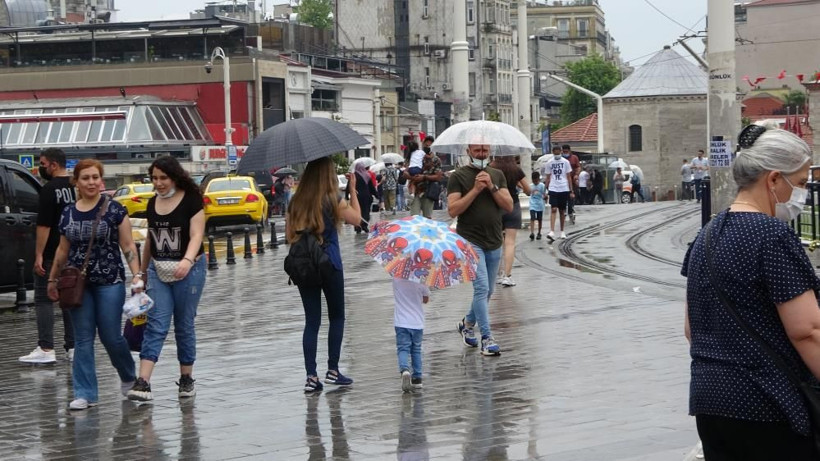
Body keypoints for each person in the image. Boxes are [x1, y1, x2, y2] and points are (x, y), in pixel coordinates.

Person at [683, 122, 820, 459]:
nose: (801, 193)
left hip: (710, 402)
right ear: (773, 179)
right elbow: (808, 331)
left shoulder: (708, 234)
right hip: (769, 404)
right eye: (800, 183)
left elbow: (691, 329)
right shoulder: (771, 235)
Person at [47, 159, 141, 411]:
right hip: (77, 283)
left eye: (95, 177)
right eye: (85, 178)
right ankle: (85, 392)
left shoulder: (114, 210)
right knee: (83, 338)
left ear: (101, 180)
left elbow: (128, 246)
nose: (91, 182)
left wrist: (137, 276)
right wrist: (52, 278)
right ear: (76, 181)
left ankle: (128, 375)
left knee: (111, 336)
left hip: (109, 280)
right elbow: (63, 249)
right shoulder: (68, 212)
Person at [127, 157, 207, 402]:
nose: (159, 183)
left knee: (184, 324)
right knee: (156, 324)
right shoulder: (152, 204)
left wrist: (188, 260)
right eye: (154, 178)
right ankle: (143, 383)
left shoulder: (191, 199)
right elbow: (150, 240)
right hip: (159, 271)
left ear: (174, 177)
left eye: (163, 178)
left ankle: (186, 378)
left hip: (189, 271)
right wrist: (141, 272)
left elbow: (196, 234)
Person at [286, 157, 362, 393]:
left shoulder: (295, 201)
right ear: (328, 175)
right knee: (337, 317)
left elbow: (290, 235)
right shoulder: (333, 200)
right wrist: (353, 191)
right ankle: (333, 370)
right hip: (329, 263)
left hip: (305, 265)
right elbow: (357, 220)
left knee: (312, 321)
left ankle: (311, 377)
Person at [447, 143, 513, 356]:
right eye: (477, 151)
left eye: (485, 151)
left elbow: (509, 205)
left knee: (489, 291)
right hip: (470, 240)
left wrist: (492, 186)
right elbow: (453, 210)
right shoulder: (458, 176)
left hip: (494, 239)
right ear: (469, 152)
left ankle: (467, 324)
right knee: (482, 288)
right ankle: (487, 337)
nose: (481, 154)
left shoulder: (497, 174)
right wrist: (475, 190)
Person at [19, 148, 77, 364]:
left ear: (53, 164)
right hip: (72, 251)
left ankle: (46, 347)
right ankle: (73, 347)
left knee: (43, 298)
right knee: (69, 299)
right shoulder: (74, 186)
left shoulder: (49, 189)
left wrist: (39, 255)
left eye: (42, 164)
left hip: (53, 250)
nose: (40, 168)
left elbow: (44, 225)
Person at [491, 156, 529, 287]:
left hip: (496, 206)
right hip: (513, 205)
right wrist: (517, 185)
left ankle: (498, 274)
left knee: (497, 242)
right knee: (510, 243)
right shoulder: (515, 169)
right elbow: (528, 189)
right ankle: (508, 275)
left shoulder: (491, 168)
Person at [393, 279, 430, 393]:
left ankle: (405, 370)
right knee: (416, 350)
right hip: (417, 323)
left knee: (403, 348)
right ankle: (417, 378)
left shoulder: (396, 279)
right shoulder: (422, 280)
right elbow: (426, 299)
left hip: (401, 322)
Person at [542, 147, 574, 242]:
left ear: (561, 152)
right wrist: (545, 190)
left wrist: (571, 190)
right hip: (553, 187)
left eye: (558, 152)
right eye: (555, 153)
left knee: (562, 210)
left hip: (564, 188)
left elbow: (568, 177)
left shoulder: (565, 162)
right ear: (553, 153)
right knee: (553, 209)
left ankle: (562, 230)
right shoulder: (549, 162)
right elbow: (548, 177)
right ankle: (551, 231)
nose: (557, 154)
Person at [406, 148, 443, 219]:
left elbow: (438, 177)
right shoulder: (415, 158)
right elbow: (405, 172)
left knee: (427, 218)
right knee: (414, 217)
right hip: (416, 192)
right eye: (425, 144)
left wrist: (424, 177)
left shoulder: (436, 160)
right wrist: (411, 177)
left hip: (428, 192)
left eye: (429, 144)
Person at [352, 161, 378, 234]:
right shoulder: (367, 175)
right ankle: (364, 225)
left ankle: (357, 226)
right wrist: (376, 195)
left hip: (356, 196)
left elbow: (349, 186)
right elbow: (371, 187)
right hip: (366, 196)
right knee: (366, 211)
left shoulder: (354, 176)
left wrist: (347, 195)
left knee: (357, 211)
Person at [562, 145, 581, 223]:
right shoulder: (561, 159)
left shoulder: (574, 158)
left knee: (571, 197)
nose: (565, 153)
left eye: (566, 151)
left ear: (569, 151)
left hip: (572, 180)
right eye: (564, 152)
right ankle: (563, 211)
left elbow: (578, 167)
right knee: (563, 198)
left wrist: (576, 174)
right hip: (563, 181)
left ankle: (570, 210)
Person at [528, 171, 546, 241]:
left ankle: (539, 232)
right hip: (532, 204)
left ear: (538, 179)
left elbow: (544, 194)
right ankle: (532, 232)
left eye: (536, 181)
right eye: (534, 181)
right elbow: (528, 193)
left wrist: (545, 197)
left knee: (539, 219)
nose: (535, 182)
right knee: (532, 218)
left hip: (540, 204)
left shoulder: (542, 186)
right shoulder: (531, 186)